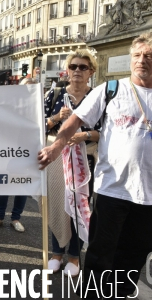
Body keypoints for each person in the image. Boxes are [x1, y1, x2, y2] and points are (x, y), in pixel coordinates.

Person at [38, 32, 152, 298]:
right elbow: (75, 120)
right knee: (101, 255)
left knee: (134, 255)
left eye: (149, 56)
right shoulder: (111, 90)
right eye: (136, 55)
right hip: (113, 191)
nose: (141, 61)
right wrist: (55, 146)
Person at [43, 50, 100, 277]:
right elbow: (40, 125)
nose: (77, 71)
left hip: (85, 158)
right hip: (58, 158)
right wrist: (57, 118)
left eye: (83, 67)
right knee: (58, 205)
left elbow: (105, 131)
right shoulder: (55, 94)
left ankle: (75, 257)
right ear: (67, 70)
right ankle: (56, 253)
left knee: (79, 207)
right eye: (73, 67)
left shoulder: (98, 97)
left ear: (91, 72)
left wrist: (84, 136)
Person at [0, 77, 36, 233]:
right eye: (24, 88)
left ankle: (16, 218)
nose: (27, 91)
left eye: (31, 88)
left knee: (21, 186)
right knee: (3, 184)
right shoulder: (11, 104)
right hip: (7, 151)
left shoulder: (37, 108)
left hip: (25, 151)